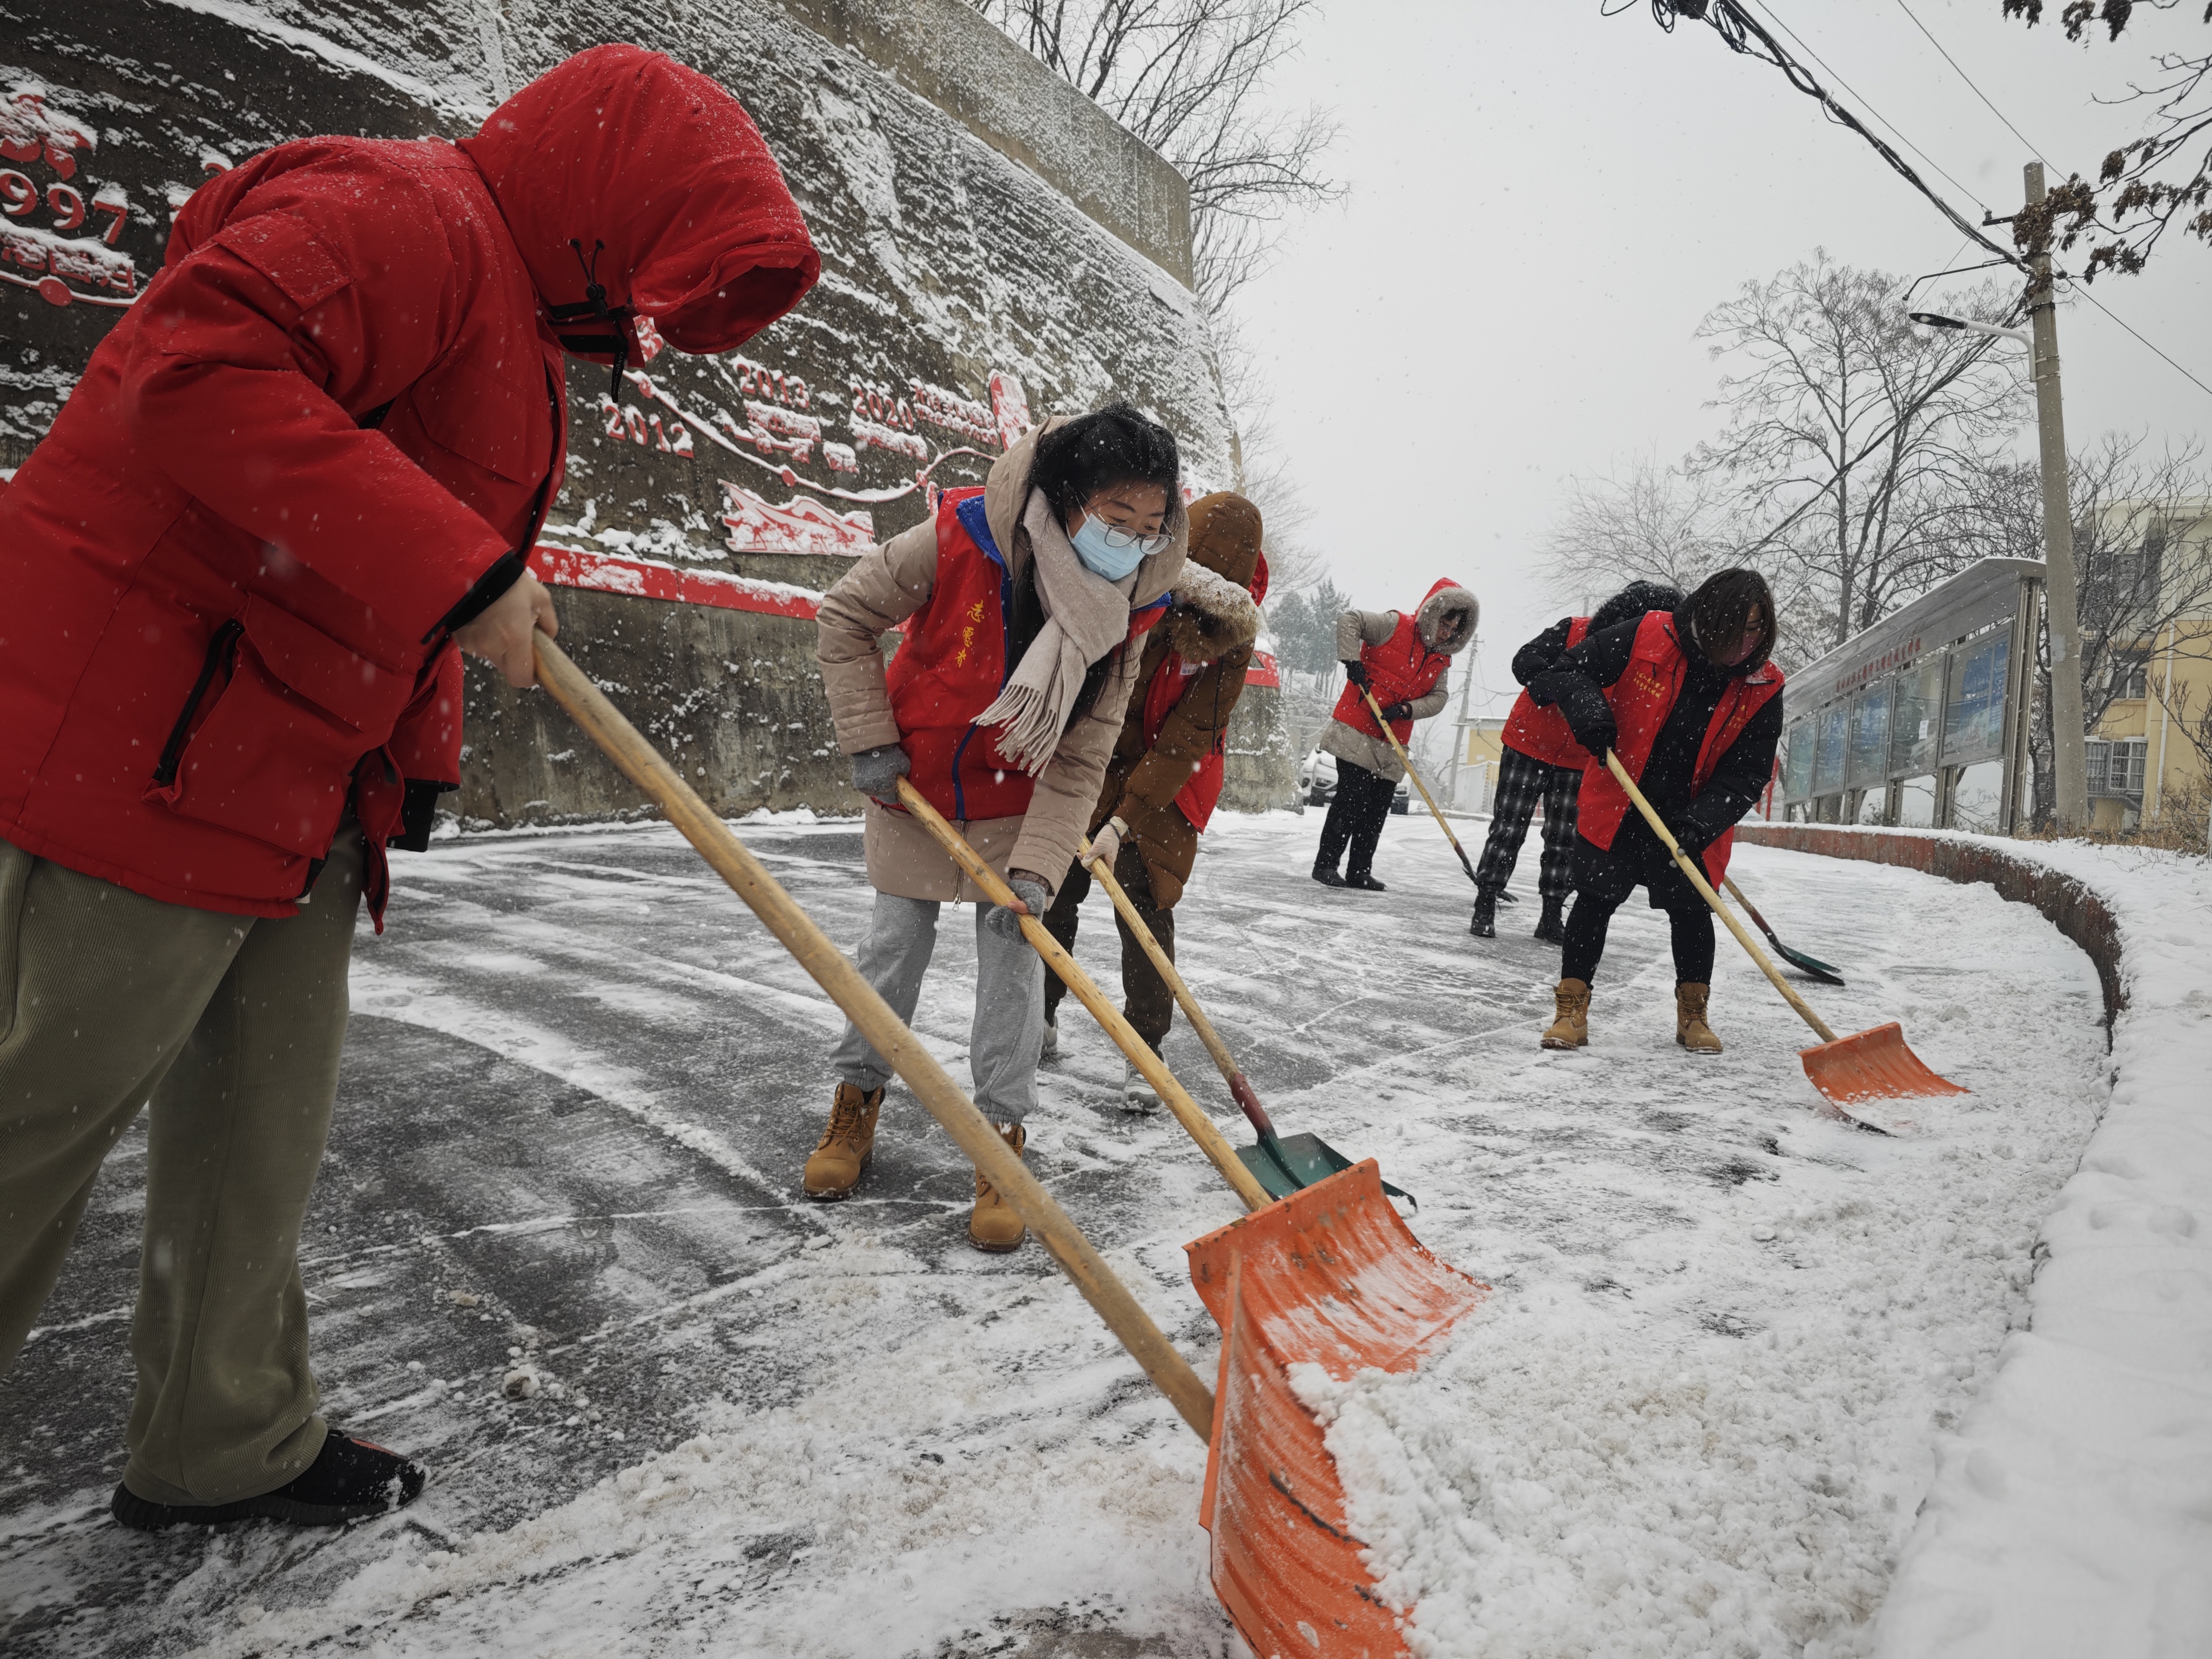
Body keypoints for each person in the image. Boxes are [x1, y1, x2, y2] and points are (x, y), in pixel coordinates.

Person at [0, 45, 819, 1532]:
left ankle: (220, 1437)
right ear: (603, 201)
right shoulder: (407, 215)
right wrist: (468, 574)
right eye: (651, 268)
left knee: (258, 1139)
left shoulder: (516, 321)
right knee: (27, 1132)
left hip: (289, 786)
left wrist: (410, 763)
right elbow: (195, 370)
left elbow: (413, 572)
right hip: (132, 755)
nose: (644, 308)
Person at [811, 403, 1186, 1250]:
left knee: (1016, 970)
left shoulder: (1133, 612)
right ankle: (856, 1100)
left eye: (1150, 525)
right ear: (1066, 496)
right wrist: (871, 738)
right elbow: (846, 616)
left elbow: (1085, 754)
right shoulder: (962, 538)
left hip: (1021, 800)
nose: (1129, 540)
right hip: (915, 786)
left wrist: (1041, 867)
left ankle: (1000, 1144)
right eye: (1114, 516)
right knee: (892, 952)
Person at [1040, 492, 1267, 1109]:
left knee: (1144, 909)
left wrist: (1124, 820)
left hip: (1169, 784)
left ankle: (1145, 1047)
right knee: (1057, 886)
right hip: (1096, 755)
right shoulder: (1135, 587)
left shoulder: (1233, 636)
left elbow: (1187, 738)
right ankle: (1039, 1015)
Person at [1524, 570, 1785, 1054]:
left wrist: (1701, 823)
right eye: (1736, 628)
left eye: (1756, 630)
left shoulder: (1764, 684)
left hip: (1692, 815)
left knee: (1692, 912)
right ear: (1709, 617)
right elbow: (1566, 670)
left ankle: (1693, 1015)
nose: (1745, 644)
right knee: (1594, 901)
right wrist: (1589, 711)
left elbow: (1749, 772)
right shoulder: (1649, 634)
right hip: (1622, 798)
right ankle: (1571, 1008)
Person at [1471, 581, 1684, 942]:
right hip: (1528, 743)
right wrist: (1556, 685)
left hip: (1579, 757)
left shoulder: (1644, 661)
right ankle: (1486, 901)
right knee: (1509, 829)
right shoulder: (1574, 630)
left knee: (1564, 840)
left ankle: (1552, 913)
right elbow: (1526, 660)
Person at [1311, 581, 1479, 891]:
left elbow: (1439, 698)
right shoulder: (1395, 625)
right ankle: (1326, 865)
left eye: (1455, 627)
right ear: (1434, 613)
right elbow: (1351, 619)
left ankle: (1360, 870)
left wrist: (1406, 710)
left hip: (1393, 738)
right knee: (1352, 798)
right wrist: (1352, 660)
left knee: (1377, 806)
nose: (1447, 632)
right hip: (1356, 726)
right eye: (1445, 622)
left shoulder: (1441, 660)